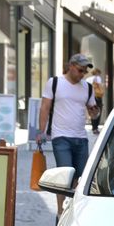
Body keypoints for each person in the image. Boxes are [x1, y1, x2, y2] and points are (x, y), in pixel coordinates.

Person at [38, 53, 100, 214]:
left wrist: (95, 112)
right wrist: (41, 131)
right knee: (64, 177)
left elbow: (93, 113)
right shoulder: (55, 83)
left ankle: (74, 212)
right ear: (71, 66)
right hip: (61, 137)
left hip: (81, 138)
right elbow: (44, 107)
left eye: (84, 72)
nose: (82, 74)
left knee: (80, 180)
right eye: (80, 70)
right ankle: (60, 213)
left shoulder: (88, 87)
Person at [89, 69, 105, 134]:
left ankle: (93, 127)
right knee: (98, 111)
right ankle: (96, 127)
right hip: (97, 97)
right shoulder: (98, 78)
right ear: (97, 73)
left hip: (91, 97)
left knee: (92, 111)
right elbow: (99, 86)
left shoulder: (88, 79)